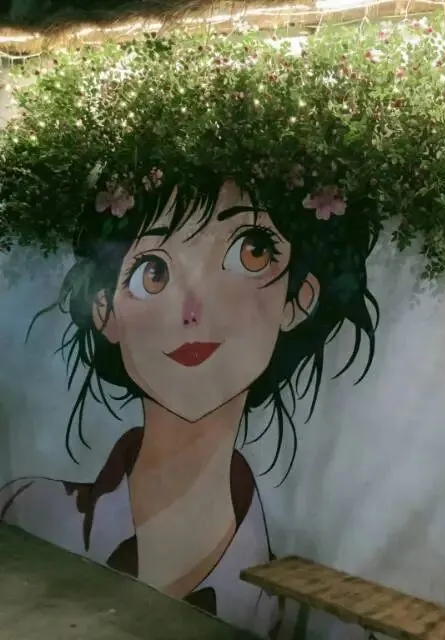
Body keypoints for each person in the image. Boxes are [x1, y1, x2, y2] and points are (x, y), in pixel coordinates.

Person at [0, 171, 379, 637]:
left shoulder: (298, 615)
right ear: (105, 310)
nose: (193, 309)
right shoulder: (27, 509)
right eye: (153, 273)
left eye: (250, 253)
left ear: (299, 299)